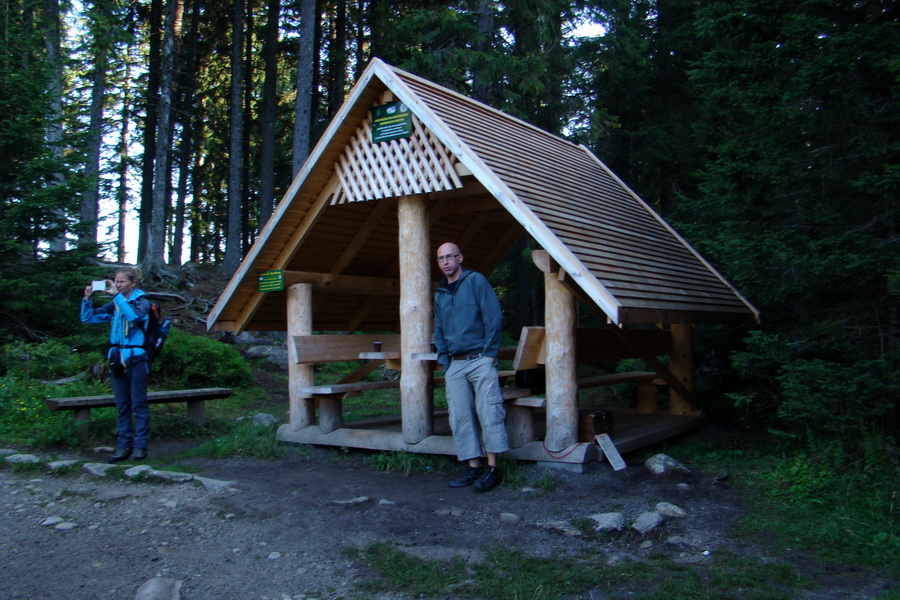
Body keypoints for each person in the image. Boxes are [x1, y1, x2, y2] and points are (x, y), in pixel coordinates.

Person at [433, 242, 508, 492]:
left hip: (480, 360)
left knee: (489, 412)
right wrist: (444, 362)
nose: (445, 262)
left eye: (449, 257)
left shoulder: (475, 281)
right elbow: (439, 330)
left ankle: (493, 468)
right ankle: (473, 466)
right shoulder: (440, 294)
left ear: (460, 258)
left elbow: (493, 316)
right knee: (460, 417)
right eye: (441, 258)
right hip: (455, 364)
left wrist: (489, 354)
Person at [82, 266, 152, 463]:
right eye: (116, 281)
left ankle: (140, 446)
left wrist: (117, 298)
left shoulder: (142, 302)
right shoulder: (115, 303)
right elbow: (88, 318)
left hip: (136, 357)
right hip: (117, 357)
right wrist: (87, 300)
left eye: (121, 282)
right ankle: (123, 446)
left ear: (132, 283)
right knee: (122, 404)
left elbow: (134, 317)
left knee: (138, 403)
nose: (118, 285)